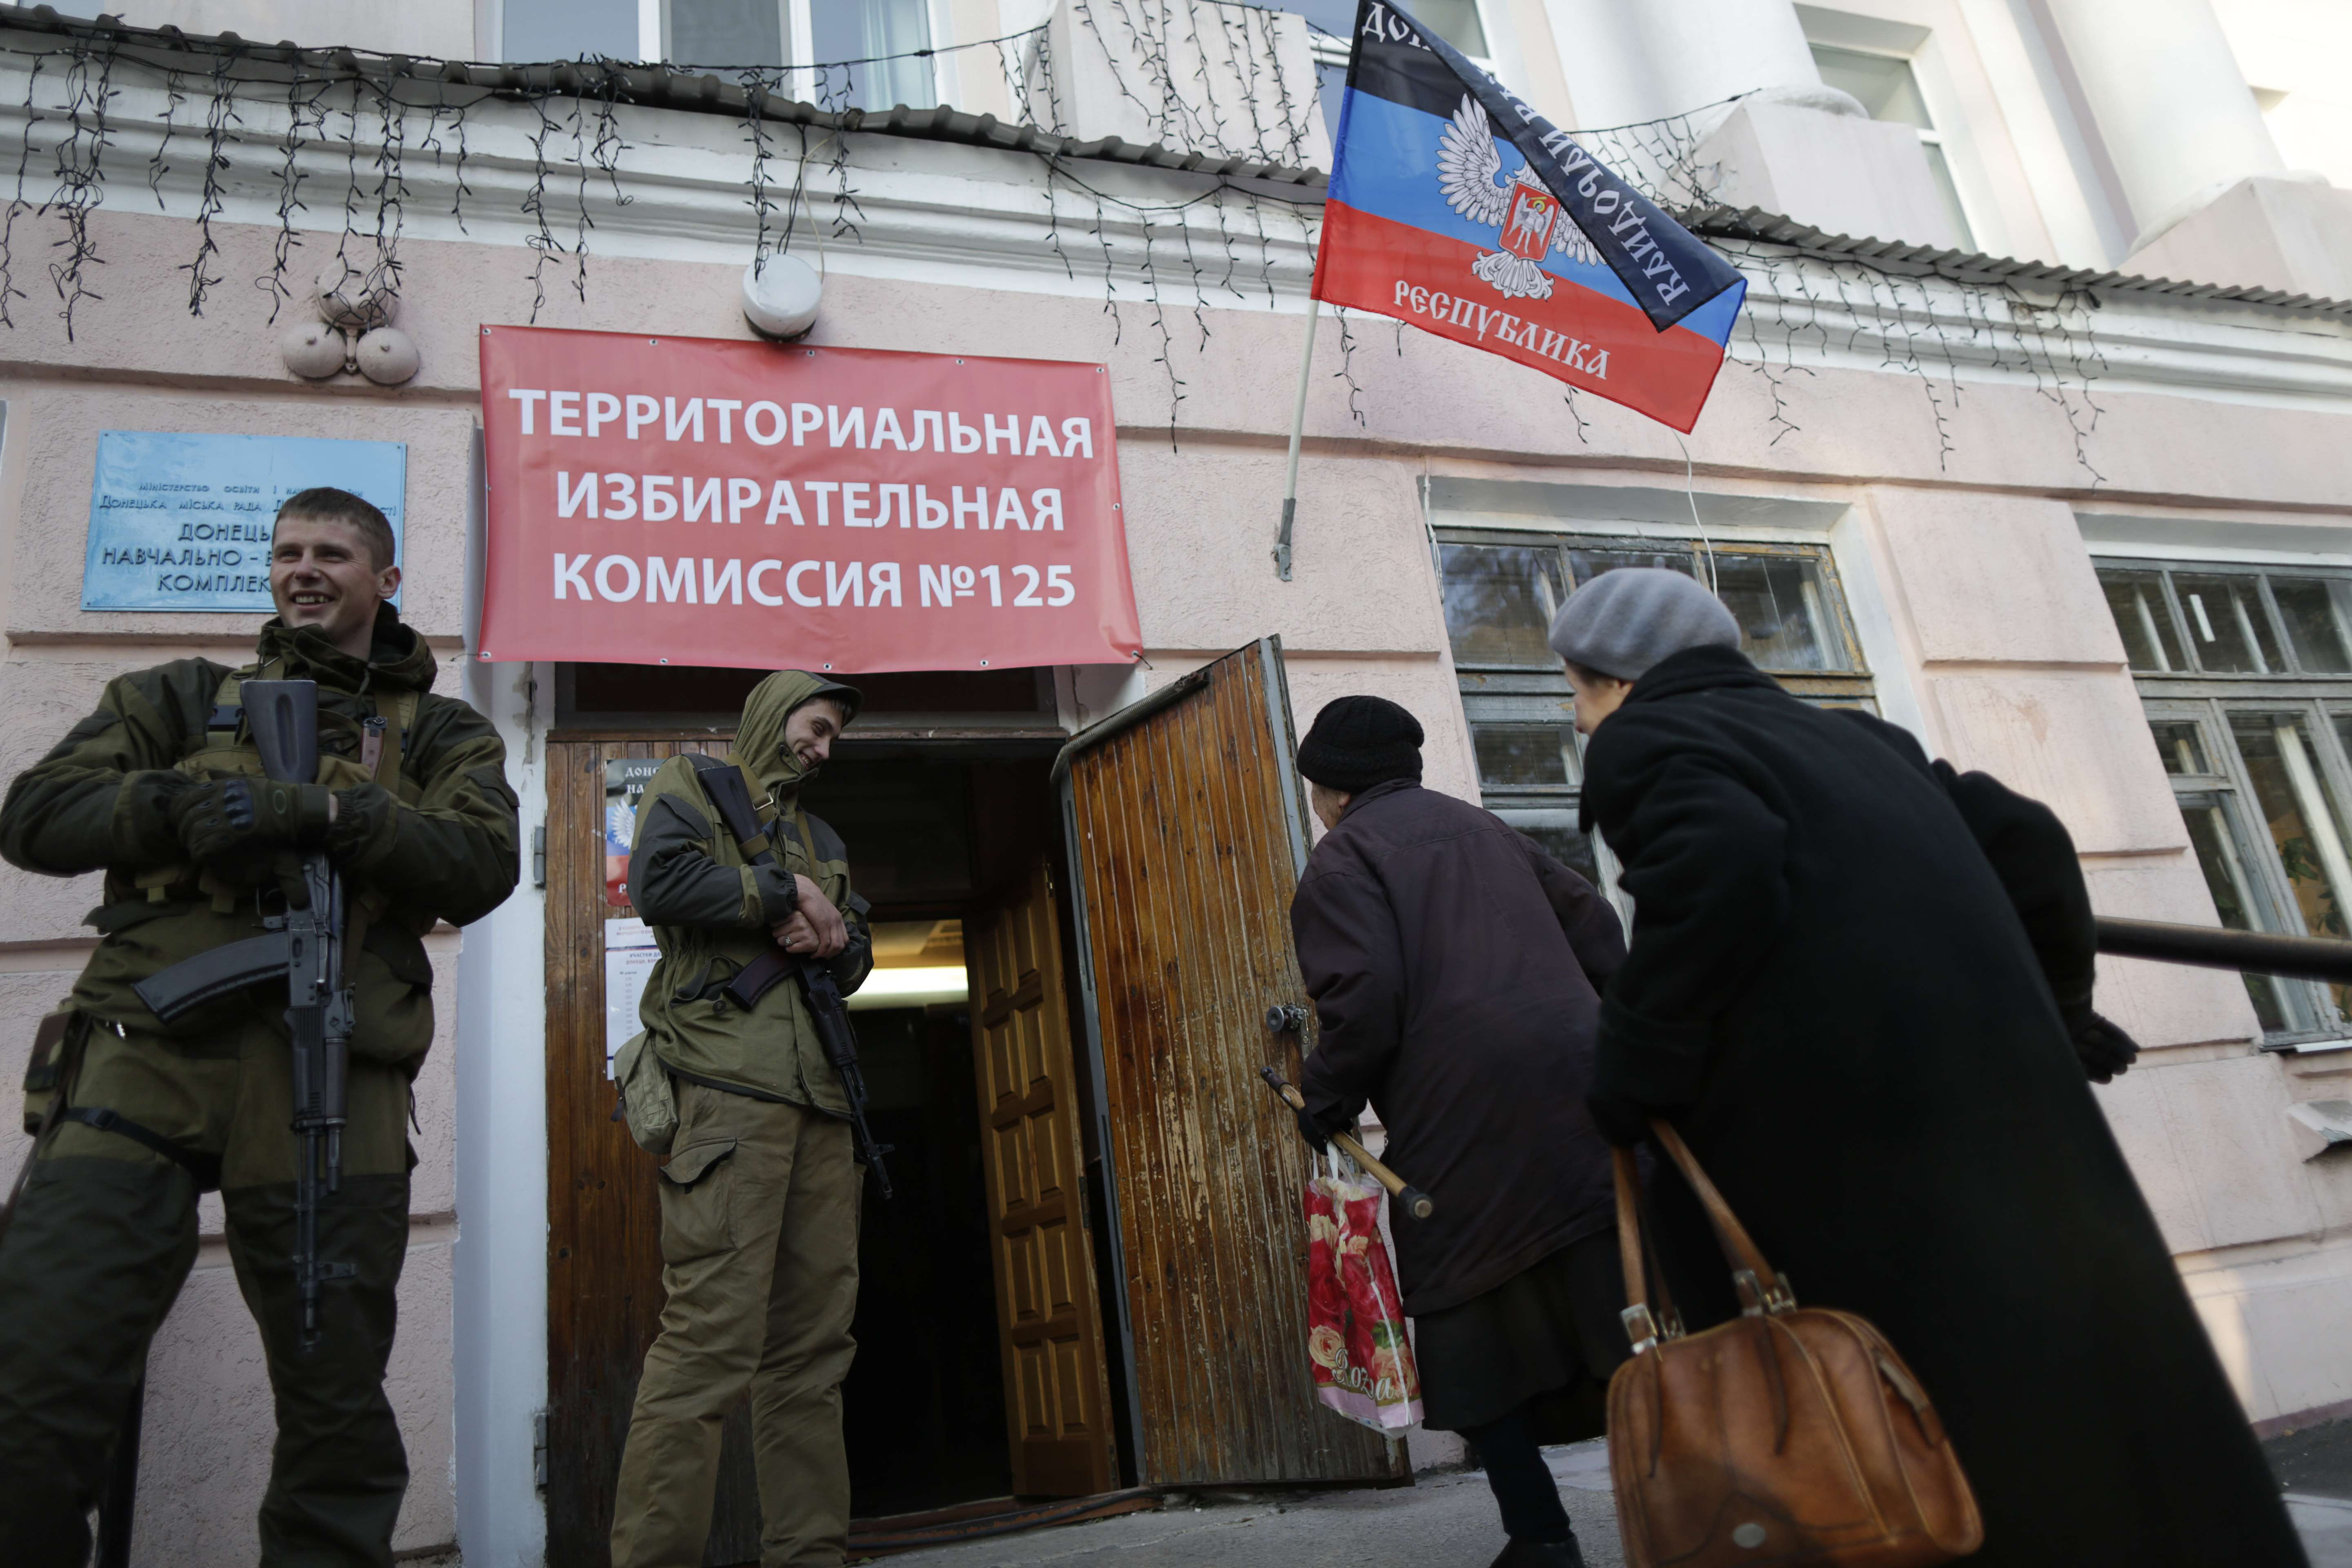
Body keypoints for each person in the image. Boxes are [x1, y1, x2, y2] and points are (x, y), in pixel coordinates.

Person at [1550, 566, 2306, 1568]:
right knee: (2080, 1423)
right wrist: (2058, 1016)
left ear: (1612, 677)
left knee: (1895, 1430)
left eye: (1575, 688)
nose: (1577, 712)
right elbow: (2029, 839)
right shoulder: (1858, 738)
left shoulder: (1649, 738)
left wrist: (1635, 1068)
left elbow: (1721, 861)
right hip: (2005, 1138)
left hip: (1850, 1166)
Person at [0, 487, 520, 1567]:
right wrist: (175, 807)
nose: (305, 568)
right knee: (35, 1375)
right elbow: (36, 814)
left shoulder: (441, 734)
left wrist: (329, 809)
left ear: (385, 580)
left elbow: (480, 868)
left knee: (335, 1416)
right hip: (144, 1060)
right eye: (288, 551)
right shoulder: (180, 699)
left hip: (329, 1076)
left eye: (334, 552)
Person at [1287, 695, 1629, 1568]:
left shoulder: (1342, 861)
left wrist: (1321, 1100)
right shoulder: (1485, 831)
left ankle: (1542, 1538)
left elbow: (1363, 1006)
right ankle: (1685, 1489)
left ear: (1325, 789)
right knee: (1617, 1307)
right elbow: (1596, 925)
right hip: (1584, 1091)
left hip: (1460, 1114)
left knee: (1461, 1321)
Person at [609, 669, 874, 1568]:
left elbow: (860, 952)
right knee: (709, 1349)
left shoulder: (824, 834)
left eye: (834, 735)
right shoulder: (693, 786)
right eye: (814, 725)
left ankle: (811, 1556)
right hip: (727, 1095)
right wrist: (780, 897)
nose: (822, 747)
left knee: (811, 1355)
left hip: (823, 1108)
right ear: (771, 714)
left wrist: (835, 933)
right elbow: (660, 883)